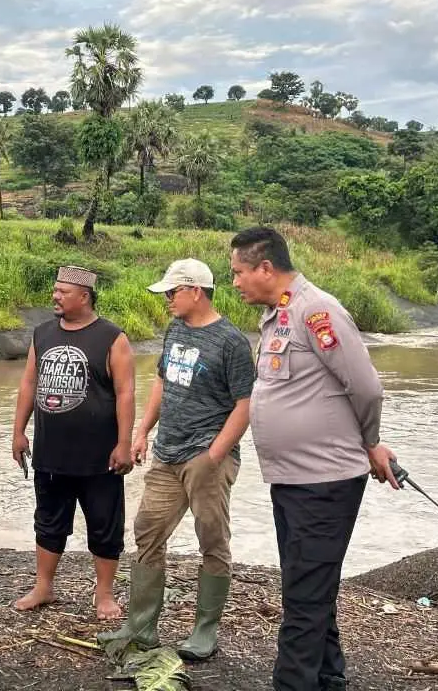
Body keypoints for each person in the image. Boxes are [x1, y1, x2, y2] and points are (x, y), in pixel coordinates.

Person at [228, 226, 401, 691]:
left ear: (266, 268)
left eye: (239, 273)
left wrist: (371, 442)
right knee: (309, 587)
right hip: (293, 479)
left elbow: (365, 387)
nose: (236, 283)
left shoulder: (317, 310)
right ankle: (327, 679)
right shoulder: (279, 314)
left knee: (303, 597)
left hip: (324, 481)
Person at [98, 259, 255, 661]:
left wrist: (215, 454)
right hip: (168, 452)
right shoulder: (175, 329)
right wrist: (141, 431)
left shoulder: (231, 342)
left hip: (207, 456)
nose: (167, 299)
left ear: (196, 292)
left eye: (172, 292)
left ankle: (205, 630)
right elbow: (163, 383)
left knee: (212, 540)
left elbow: (245, 404)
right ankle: (141, 627)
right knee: (148, 530)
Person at [11, 265, 135, 621]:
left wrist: (124, 443)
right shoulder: (43, 333)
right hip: (51, 451)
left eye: (63, 292)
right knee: (48, 520)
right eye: (55, 290)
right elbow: (28, 385)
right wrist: (19, 431)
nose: (55, 296)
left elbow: (126, 393)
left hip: (100, 455)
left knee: (104, 523)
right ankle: (44, 586)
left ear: (84, 296)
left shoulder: (113, 337)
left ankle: (105, 595)